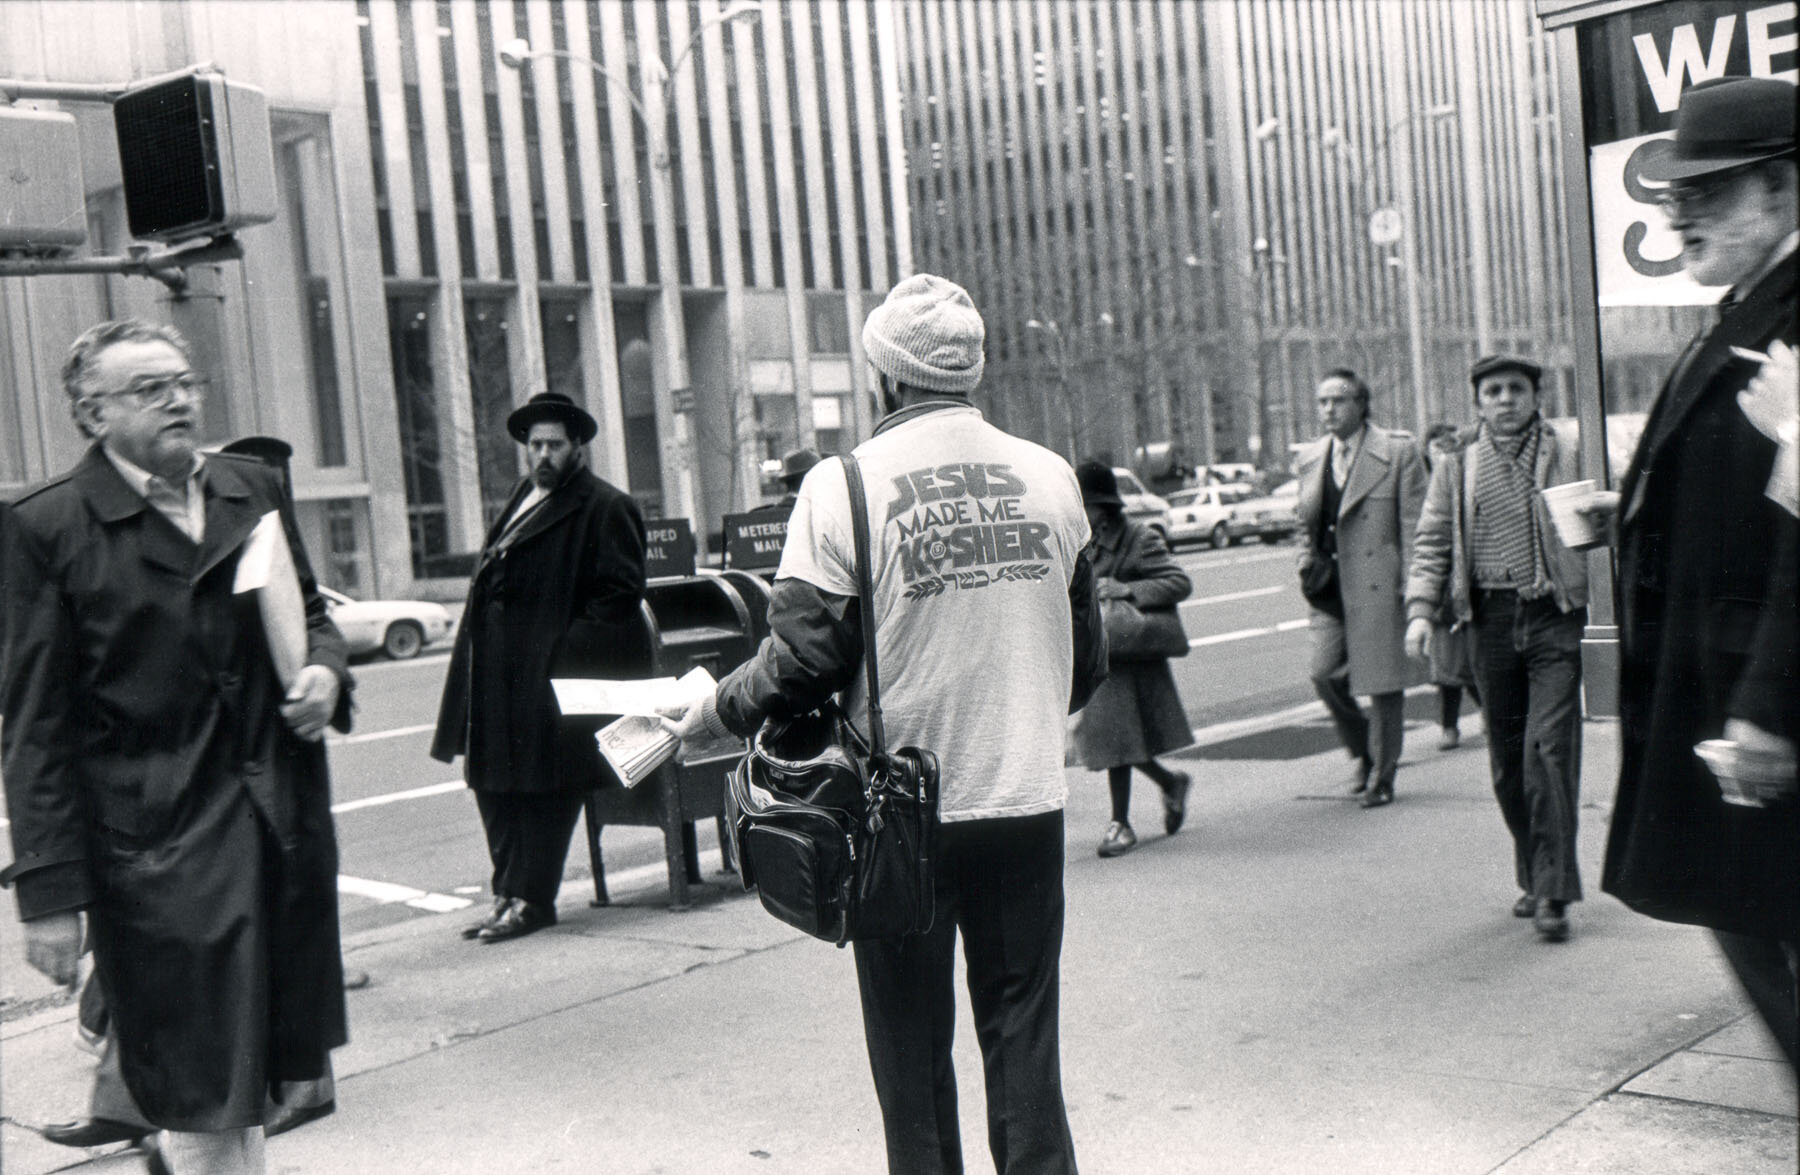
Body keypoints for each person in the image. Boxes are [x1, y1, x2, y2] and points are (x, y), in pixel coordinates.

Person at [662, 273, 1104, 1174]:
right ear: (971, 371)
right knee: (1024, 1045)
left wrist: (711, 711)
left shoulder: (841, 486)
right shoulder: (1052, 477)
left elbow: (802, 660)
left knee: (910, 1060)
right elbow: (1085, 661)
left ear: (884, 379)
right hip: (1024, 801)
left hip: (897, 818)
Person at [2, 319, 353, 1174]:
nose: (180, 400)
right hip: (156, 853)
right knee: (202, 1079)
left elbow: (309, 612)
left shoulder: (249, 486)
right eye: (150, 388)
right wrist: (49, 895)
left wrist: (324, 673)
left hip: (276, 829)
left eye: (184, 381)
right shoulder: (45, 526)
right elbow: (34, 725)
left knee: (260, 1076)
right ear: (92, 413)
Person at [1579, 76, 1798, 1066]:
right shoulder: (1743, 304)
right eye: (1675, 191)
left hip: (1765, 705)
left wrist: (1770, 706)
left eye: (1707, 190)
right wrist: (1629, 514)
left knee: (1767, 925)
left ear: (1783, 187)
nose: (1677, 212)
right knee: (1749, 921)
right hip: (1724, 696)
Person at [430, 391, 649, 945]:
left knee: (545, 790)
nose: (543, 454)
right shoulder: (522, 496)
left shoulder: (605, 505)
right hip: (494, 679)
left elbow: (618, 598)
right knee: (490, 782)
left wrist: (560, 656)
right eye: (534, 445)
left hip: (546, 683)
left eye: (554, 444)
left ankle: (533, 900)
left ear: (577, 446)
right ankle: (507, 893)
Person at [1405, 356, 1590, 942]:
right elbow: (1433, 539)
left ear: (1536, 395)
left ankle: (1554, 893)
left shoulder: (1567, 452)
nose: (1505, 399)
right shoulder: (1456, 465)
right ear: (1478, 402)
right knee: (1509, 765)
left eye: (1516, 389)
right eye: (1493, 391)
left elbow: (1598, 526)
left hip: (1553, 615)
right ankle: (1534, 873)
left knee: (1549, 751)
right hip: (1487, 619)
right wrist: (1419, 612)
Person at [1294, 368, 1428, 808]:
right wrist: (1303, 561)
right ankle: (1364, 752)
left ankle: (1383, 775)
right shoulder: (1311, 457)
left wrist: (1413, 587)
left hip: (1378, 584)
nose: (1329, 409)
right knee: (1323, 673)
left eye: (1339, 399)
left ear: (1361, 403)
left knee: (1383, 684)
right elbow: (1303, 520)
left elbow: (1415, 525)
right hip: (1329, 586)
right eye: (1322, 401)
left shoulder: (1397, 452)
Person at [1069, 460, 1194, 858]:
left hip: (1130, 650)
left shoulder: (1139, 537)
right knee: (1117, 739)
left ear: (1104, 506)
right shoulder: (1078, 539)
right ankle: (1170, 783)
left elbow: (1178, 581)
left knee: (1115, 738)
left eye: (1085, 504)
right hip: (1098, 649)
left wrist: (1126, 589)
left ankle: (1120, 824)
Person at [1418, 422, 1482, 751]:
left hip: (1463, 585)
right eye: (1433, 450)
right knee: (1446, 666)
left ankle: (1479, 714)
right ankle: (1449, 725)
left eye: (1445, 448)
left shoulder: (1459, 480)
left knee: (1465, 662)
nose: (1440, 455)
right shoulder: (1423, 488)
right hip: (1439, 589)